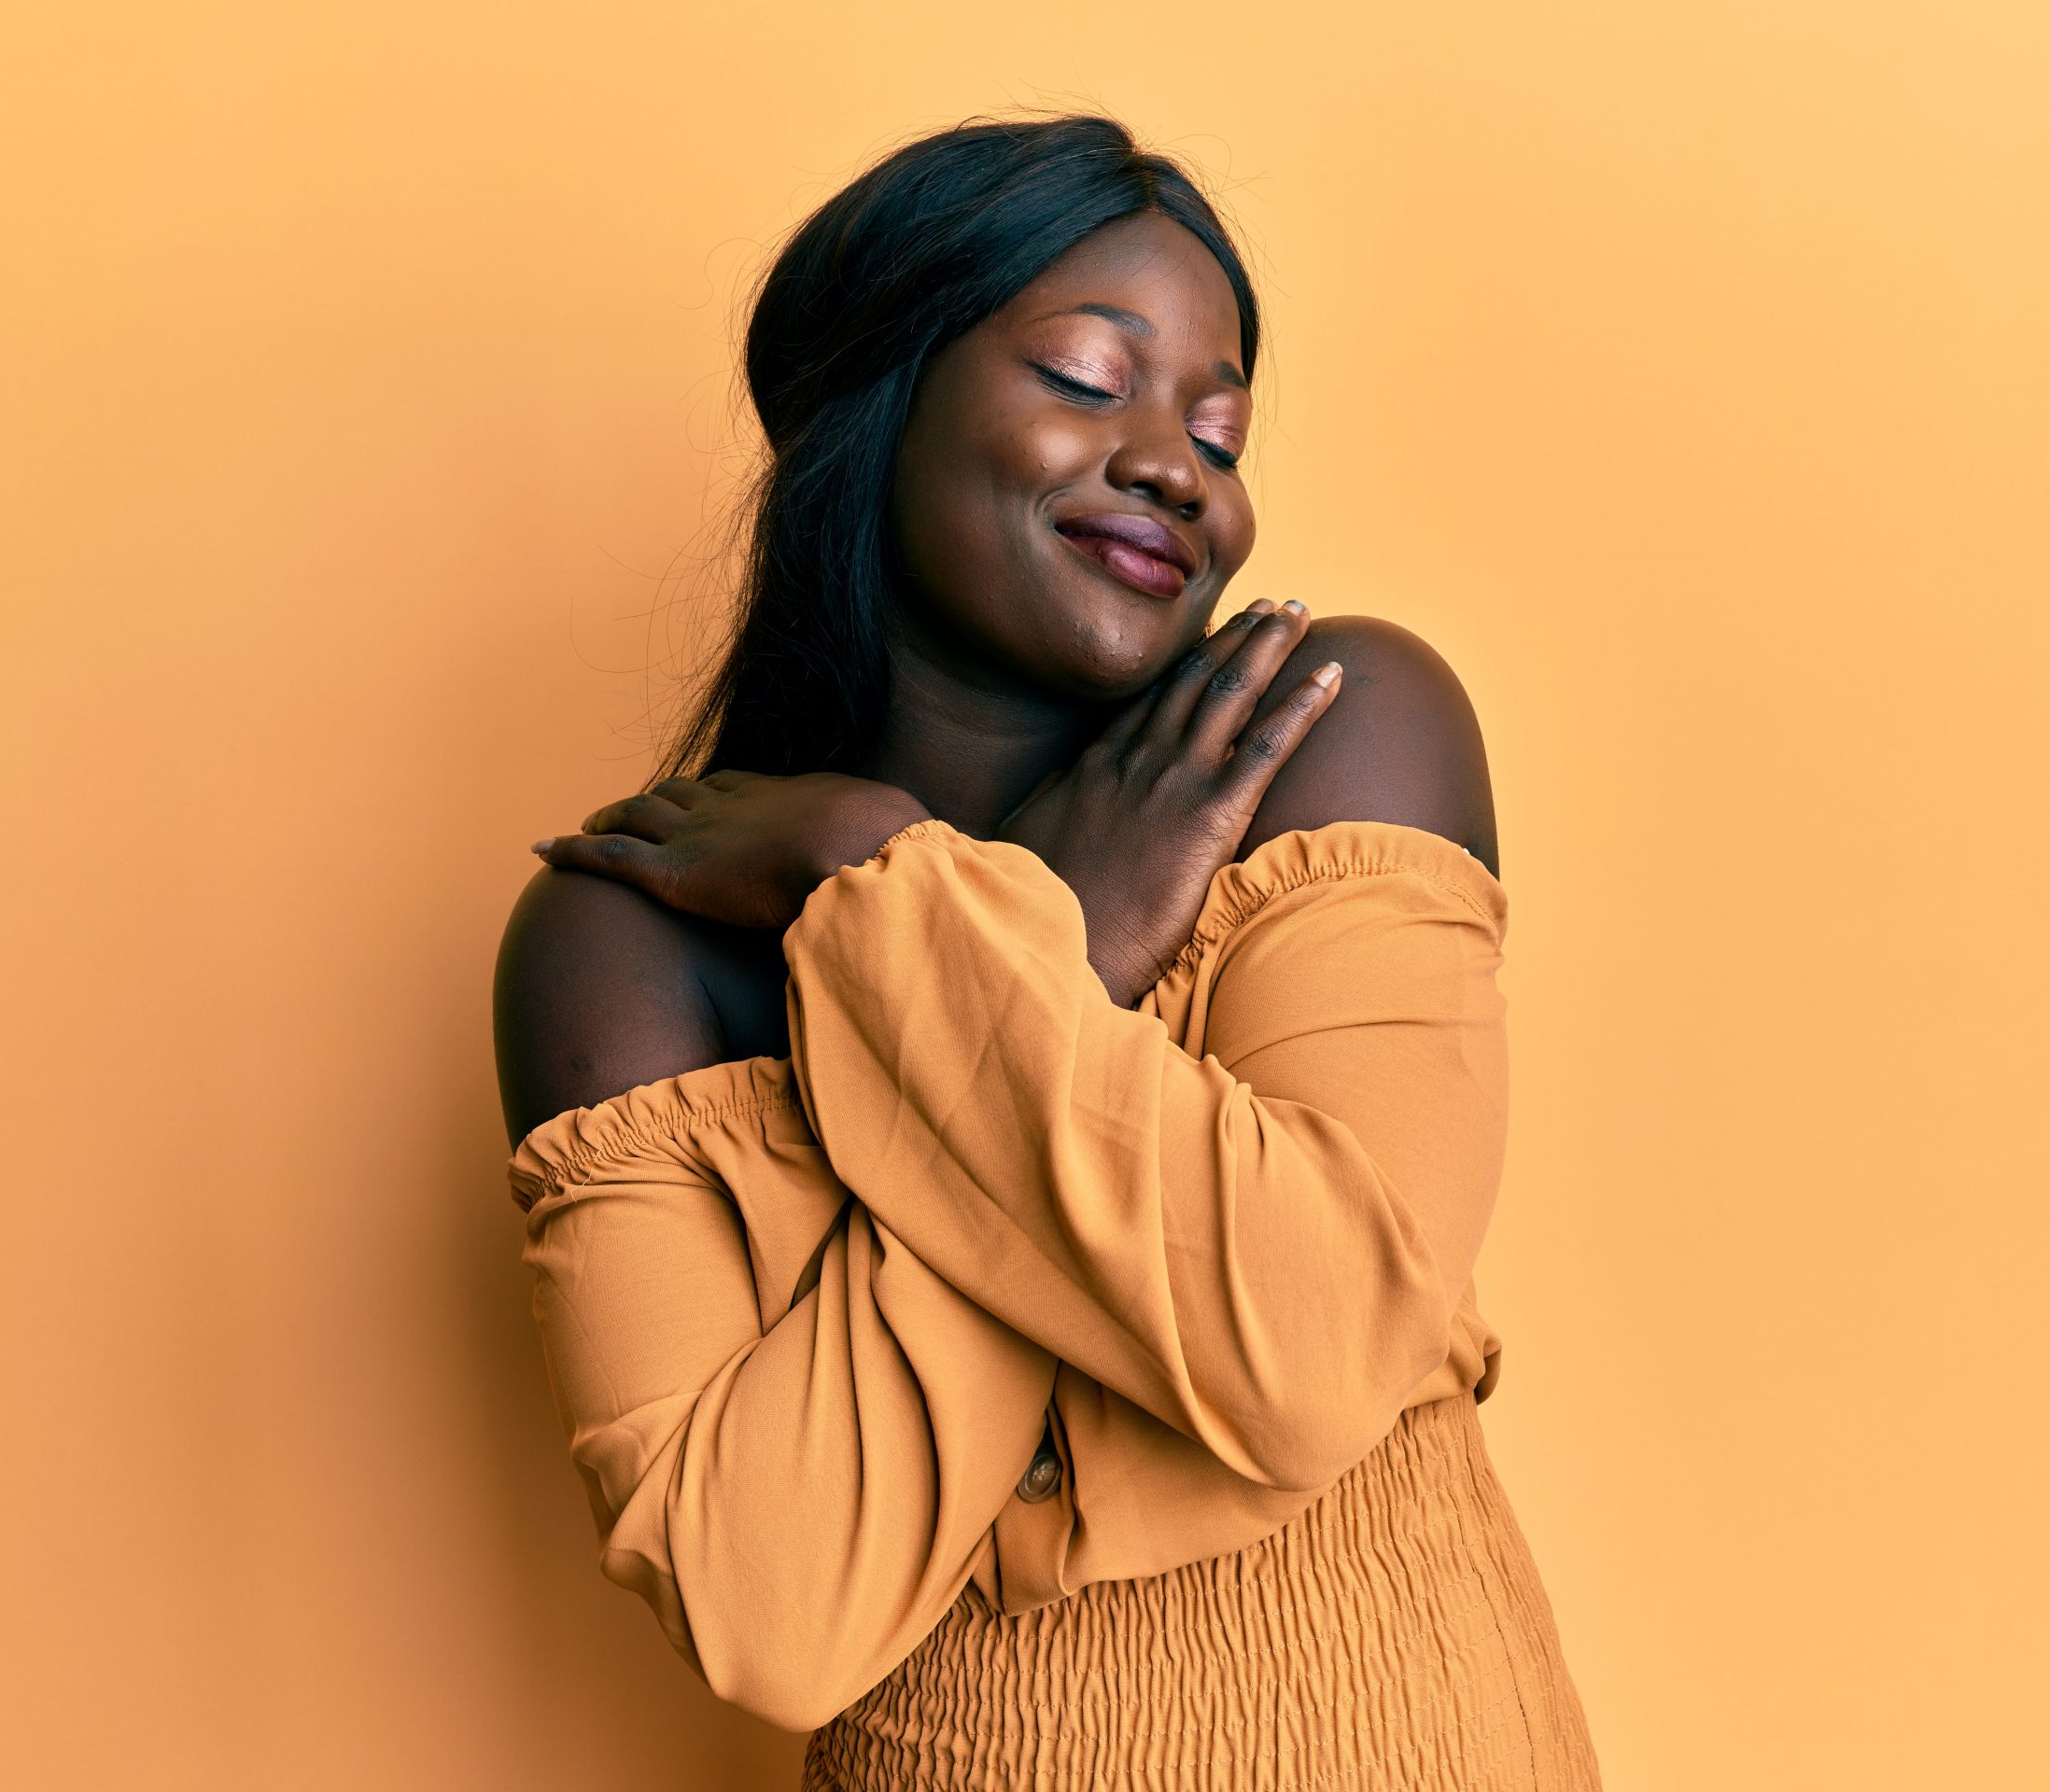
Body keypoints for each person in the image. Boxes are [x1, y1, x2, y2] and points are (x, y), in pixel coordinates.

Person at [493, 114, 1601, 1790]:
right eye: (1090, 381)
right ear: (879, 402)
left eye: (1217, 430)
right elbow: (772, 1615)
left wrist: (898, 901)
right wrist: (1040, 950)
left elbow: (1305, 1352)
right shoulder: (627, 938)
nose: (1177, 463)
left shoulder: (1327, 729)